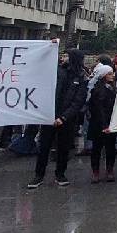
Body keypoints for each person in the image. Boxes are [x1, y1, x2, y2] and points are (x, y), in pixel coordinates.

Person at [28, 48, 88, 189]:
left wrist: (64, 117)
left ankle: (60, 173)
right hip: (49, 116)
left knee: (63, 148)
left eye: (66, 56)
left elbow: (78, 101)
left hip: (67, 120)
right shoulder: (57, 71)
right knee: (44, 147)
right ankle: (39, 175)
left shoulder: (81, 77)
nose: (63, 58)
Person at [87, 65, 117, 183]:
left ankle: (109, 170)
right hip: (99, 124)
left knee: (110, 148)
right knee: (96, 149)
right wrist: (104, 125)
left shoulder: (113, 88)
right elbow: (98, 109)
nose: (112, 76)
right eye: (109, 74)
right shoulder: (96, 89)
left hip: (110, 122)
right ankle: (96, 172)